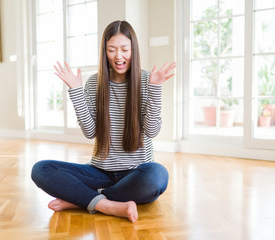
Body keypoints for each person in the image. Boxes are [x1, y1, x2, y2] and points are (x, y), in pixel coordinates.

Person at [31, 20, 176, 223]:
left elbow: (152, 131)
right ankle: (108, 204)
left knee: (157, 176)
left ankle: (83, 200)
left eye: (125, 49)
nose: (119, 56)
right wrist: (75, 91)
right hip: (99, 172)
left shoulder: (146, 80)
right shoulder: (94, 83)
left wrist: (155, 88)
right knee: (41, 169)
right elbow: (90, 132)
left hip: (137, 172)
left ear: (133, 49)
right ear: (104, 52)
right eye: (112, 50)